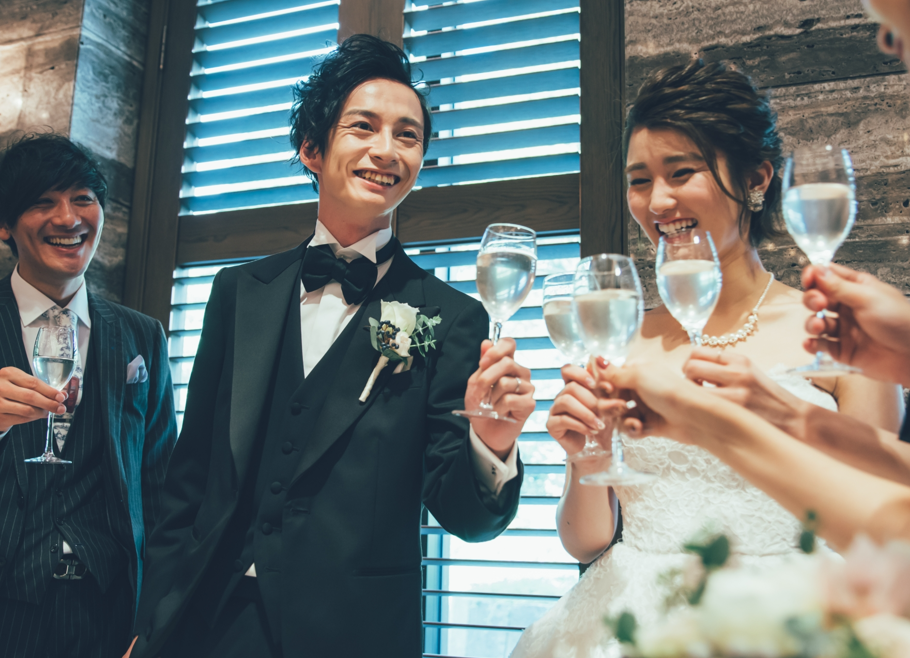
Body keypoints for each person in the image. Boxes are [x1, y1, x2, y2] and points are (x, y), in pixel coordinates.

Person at [127, 35, 535, 658]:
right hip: (209, 625)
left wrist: (493, 443)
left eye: (407, 135)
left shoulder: (452, 317)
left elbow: (468, 519)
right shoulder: (239, 291)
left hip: (355, 634)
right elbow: (190, 480)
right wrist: (151, 625)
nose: (386, 150)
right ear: (311, 149)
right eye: (363, 127)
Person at [510, 58, 903, 658]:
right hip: (630, 615)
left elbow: (880, 528)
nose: (658, 201)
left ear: (756, 179)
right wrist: (586, 451)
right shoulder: (620, 339)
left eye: (681, 172)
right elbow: (587, 541)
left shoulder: (843, 335)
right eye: (639, 180)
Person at [0, 133, 178, 658]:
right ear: (5, 224)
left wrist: (155, 620)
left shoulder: (142, 335)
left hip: (109, 611)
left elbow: (162, 485)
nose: (68, 218)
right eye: (42, 202)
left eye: (83, 198)